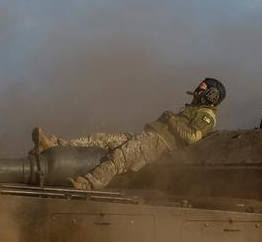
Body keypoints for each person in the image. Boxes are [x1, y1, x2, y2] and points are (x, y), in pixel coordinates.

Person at [33, 77, 226, 190]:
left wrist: (171, 119)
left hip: (157, 144)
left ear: (211, 95)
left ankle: (87, 184)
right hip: (147, 136)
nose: (197, 91)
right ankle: (54, 145)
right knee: (100, 139)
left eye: (201, 89)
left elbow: (191, 137)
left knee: (120, 157)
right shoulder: (193, 109)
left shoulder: (206, 116)